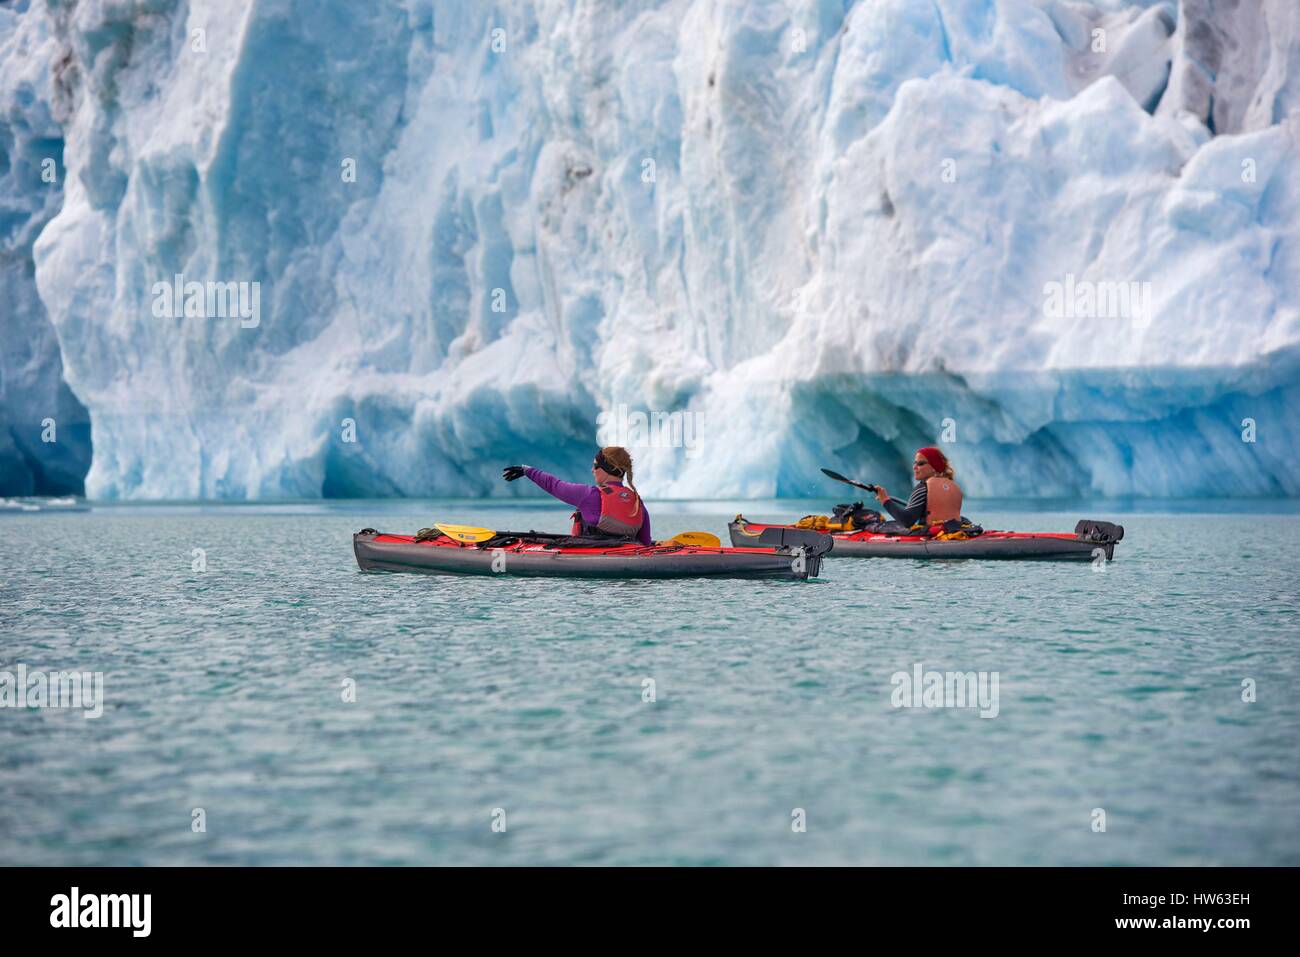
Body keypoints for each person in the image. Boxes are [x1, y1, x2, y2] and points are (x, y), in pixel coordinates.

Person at [502, 447, 652, 545]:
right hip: (629, 555)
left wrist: (527, 470)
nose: (592, 469)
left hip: (592, 561)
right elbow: (645, 542)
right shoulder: (637, 502)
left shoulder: (590, 495)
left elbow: (553, 485)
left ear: (607, 469)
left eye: (595, 465)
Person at [873, 446, 963, 529]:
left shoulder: (923, 488)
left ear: (934, 467)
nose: (914, 467)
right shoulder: (955, 487)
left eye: (921, 463)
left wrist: (885, 500)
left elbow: (906, 520)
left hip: (929, 538)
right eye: (915, 463)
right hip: (952, 533)